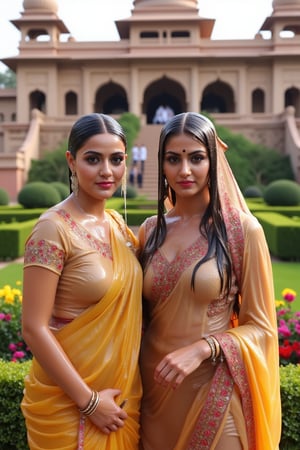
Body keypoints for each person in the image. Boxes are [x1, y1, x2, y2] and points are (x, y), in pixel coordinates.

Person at [138, 112, 281, 450]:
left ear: (213, 160)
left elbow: (262, 327)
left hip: (213, 388)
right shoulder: (150, 231)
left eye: (197, 158)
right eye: (173, 159)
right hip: (153, 393)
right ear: (161, 164)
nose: (184, 171)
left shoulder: (243, 232)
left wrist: (205, 348)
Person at [21, 113, 143, 449]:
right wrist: (89, 402)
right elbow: (33, 327)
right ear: (72, 162)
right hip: (69, 405)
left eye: (116, 159)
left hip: (122, 399)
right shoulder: (52, 229)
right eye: (93, 159)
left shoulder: (118, 226)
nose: (107, 171)